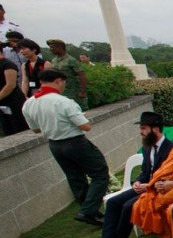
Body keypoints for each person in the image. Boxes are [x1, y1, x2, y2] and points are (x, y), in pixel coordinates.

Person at [79, 112, 173, 238]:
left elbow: (170, 176)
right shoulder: (147, 147)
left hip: (159, 189)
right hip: (144, 187)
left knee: (128, 205)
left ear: (155, 129)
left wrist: (148, 186)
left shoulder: (171, 149)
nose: (140, 132)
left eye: (143, 128)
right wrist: (138, 182)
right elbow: (145, 171)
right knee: (113, 203)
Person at [22, 69, 109, 225]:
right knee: (100, 173)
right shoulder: (63, 102)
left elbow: (36, 129)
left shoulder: (29, 103)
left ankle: (89, 210)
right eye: (63, 83)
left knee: (75, 177)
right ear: (58, 81)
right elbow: (85, 126)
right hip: (74, 142)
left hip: (55, 144)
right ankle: (88, 210)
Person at [46, 39, 88, 105]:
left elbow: (81, 75)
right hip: (60, 92)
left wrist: (83, 91)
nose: (50, 49)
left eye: (52, 47)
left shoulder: (71, 60)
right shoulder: (54, 61)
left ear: (59, 47)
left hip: (73, 92)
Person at [0, 49, 27, 135]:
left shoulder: (8, 65)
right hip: (2, 104)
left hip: (13, 101)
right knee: (7, 129)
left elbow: (10, 85)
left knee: (19, 128)